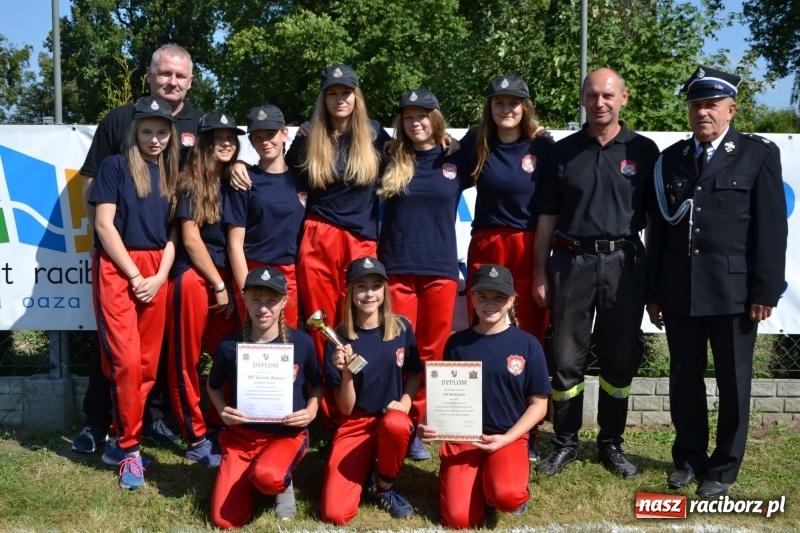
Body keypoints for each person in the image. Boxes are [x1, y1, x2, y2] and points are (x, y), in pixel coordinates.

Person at [645, 66, 787, 497]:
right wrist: (654, 292)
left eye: (710, 105)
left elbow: (770, 228)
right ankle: (688, 459)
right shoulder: (670, 159)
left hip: (734, 292)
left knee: (733, 380)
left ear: (731, 109)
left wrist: (765, 290)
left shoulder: (757, 153)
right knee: (684, 378)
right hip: (681, 289)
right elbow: (659, 232)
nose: (702, 113)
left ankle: (724, 467)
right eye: (695, 105)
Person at [74, 43, 203, 454]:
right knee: (119, 355)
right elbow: (94, 194)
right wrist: (122, 255)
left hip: (165, 259)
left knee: (150, 357)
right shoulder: (117, 128)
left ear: (190, 80)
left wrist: (160, 271)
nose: (172, 81)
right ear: (149, 75)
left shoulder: (194, 134)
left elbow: (178, 223)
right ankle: (107, 428)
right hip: (120, 257)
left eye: (180, 76)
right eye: (165, 74)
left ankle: (143, 423)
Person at [533, 68, 660, 478]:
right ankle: (565, 442)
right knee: (566, 359)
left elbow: (656, 223)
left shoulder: (645, 151)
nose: (599, 103)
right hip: (571, 263)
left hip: (624, 264)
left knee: (619, 358)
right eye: (592, 96)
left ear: (624, 96)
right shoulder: (563, 151)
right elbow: (547, 217)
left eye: (608, 95)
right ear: (583, 99)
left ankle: (611, 443)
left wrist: (655, 281)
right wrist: (539, 271)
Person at [289, 64, 391, 428]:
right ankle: (327, 410)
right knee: (321, 321)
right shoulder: (308, 137)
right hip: (319, 235)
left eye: (345, 92)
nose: (339, 99)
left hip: (361, 240)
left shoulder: (376, 136)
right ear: (324, 98)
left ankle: (361, 402)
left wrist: (447, 139)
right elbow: (279, 179)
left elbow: (419, 153)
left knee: (361, 320)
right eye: (332, 93)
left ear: (356, 96)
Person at [460, 73, 553, 461]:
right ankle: (470, 421)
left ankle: (525, 433)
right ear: (490, 107)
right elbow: (435, 160)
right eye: (499, 102)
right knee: (482, 332)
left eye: (514, 102)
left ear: (525, 107)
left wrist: (542, 268)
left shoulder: (543, 146)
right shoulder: (477, 142)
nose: (506, 109)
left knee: (526, 334)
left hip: (525, 246)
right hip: (487, 245)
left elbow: (550, 208)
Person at [89, 96, 180, 489]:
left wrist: (159, 276)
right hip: (118, 267)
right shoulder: (114, 166)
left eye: (162, 132)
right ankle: (131, 450)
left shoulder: (176, 171)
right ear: (135, 131)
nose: (155, 139)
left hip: (157, 269)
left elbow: (178, 232)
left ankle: (117, 436)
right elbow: (104, 225)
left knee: (144, 366)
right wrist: (134, 275)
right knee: (124, 361)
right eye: (147, 131)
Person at [377, 88, 472, 461]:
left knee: (431, 353)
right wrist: (304, 128)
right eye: (408, 116)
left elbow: (489, 132)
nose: (416, 122)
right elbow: (356, 127)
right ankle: (389, 421)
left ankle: (415, 427)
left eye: (423, 115)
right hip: (397, 269)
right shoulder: (390, 156)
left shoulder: (456, 159)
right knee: (396, 351)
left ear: (436, 118)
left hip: (440, 271)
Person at [417, 264, 550, 529]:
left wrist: (506, 439)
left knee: (508, 497)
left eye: (499, 297)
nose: (491, 304)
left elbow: (539, 405)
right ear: (472, 299)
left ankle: (499, 482)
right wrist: (431, 424)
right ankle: (475, 482)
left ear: (511, 299)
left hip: (506, 436)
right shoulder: (457, 344)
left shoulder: (528, 344)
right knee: (458, 520)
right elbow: (447, 396)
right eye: (483, 296)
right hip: (463, 438)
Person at [208, 266, 323, 527]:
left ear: (284, 302)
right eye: (256, 299)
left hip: (286, 435)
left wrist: (312, 410)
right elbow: (213, 386)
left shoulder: (302, 343)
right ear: (244, 298)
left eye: (272, 300)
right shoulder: (228, 345)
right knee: (223, 521)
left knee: (269, 478)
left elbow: (317, 386)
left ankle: (280, 481)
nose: (263, 308)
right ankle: (250, 475)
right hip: (241, 437)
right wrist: (223, 409)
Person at [165, 111, 245, 467]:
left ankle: (220, 424)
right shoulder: (191, 181)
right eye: (217, 137)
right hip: (196, 277)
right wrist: (217, 285)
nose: (225, 142)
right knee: (187, 359)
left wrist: (225, 285)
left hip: (225, 279)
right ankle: (196, 436)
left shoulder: (235, 177)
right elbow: (191, 239)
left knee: (231, 354)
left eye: (231, 137)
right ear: (202, 143)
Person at [320, 257, 422, 525]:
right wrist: (346, 373)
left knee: (396, 424)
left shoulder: (402, 328)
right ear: (350, 292)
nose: (369, 294)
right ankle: (361, 469)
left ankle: (385, 486)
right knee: (335, 514)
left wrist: (405, 402)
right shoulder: (337, 339)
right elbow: (345, 408)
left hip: (392, 419)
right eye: (361, 286)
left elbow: (414, 375)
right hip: (356, 422)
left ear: (385, 290)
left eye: (376, 285)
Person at [224, 105, 307, 327]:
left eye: (271, 134)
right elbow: (235, 243)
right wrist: (247, 292)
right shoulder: (243, 181)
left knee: (286, 345)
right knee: (253, 348)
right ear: (250, 141)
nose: (265, 142)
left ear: (284, 133)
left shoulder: (303, 178)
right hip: (252, 272)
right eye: (257, 137)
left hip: (290, 274)